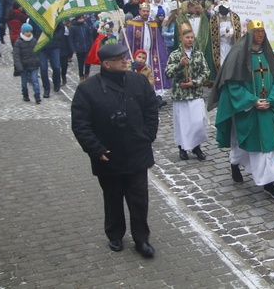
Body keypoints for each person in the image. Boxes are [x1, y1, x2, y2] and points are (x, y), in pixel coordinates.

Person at [71, 43, 160, 258]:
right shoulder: (87, 89)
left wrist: (148, 135)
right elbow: (80, 124)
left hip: (137, 151)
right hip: (108, 155)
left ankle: (141, 239)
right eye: (119, 58)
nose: (125, 60)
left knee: (139, 199)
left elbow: (151, 109)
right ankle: (115, 234)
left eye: (124, 56)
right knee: (112, 197)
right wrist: (95, 148)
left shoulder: (138, 81)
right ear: (106, 64)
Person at [210, 20, 274, 198]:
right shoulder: (238, 55)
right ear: (250, 34)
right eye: (257, 32)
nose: (260, 35)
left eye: (262, 32)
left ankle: (268, 182)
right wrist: (252, 101)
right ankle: (235, 164)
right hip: (248, 109)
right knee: (242, 143)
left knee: (266, 145)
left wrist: (272, 99)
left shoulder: (268, 55)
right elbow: (232, 86)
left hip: (267, 107)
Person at [165, 25, 211, 161]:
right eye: (187, 37)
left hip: (195, 93)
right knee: (183, 123)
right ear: (181, 39)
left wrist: (195, 82)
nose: (190, 40)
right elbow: (168, 72)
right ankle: (183, 148)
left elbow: (206, 71)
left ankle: (196, 145)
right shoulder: (175, 55)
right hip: (181, 95)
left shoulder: (198, 54)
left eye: (192, 37)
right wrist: (180, 65)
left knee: (198, 121)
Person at [124, 2, 172, 94]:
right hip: (138, 54)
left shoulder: (152, 23)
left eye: (147, 11)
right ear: (139, 11)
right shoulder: (133, 23)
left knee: (151, 73)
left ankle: (154, 93)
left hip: (151, 54)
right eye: (144, 11)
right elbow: (128, 41)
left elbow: (158, 40)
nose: (146, 13)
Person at [177, 0, 216, 81]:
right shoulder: (182, 17)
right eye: (195, 8)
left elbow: (205, 29)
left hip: (200, 44)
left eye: (198, 8)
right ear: (189, 7)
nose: (197, 10)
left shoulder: (202, 17)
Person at [210, 0, 242, 73]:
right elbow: (214, 30)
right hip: (221, 46)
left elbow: (237, 29)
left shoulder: (234, 16)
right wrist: (225, 30)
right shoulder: (214, 18)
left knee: (232, 64)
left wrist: (230, 32)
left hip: (232, 45)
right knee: (222, 64)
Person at [13, 23, 41, 103]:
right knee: (24, 82)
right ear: (23, 32)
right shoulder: (18, 42)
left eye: (30, 32)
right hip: (23, 66)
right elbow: (16, 56)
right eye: (27, 32)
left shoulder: (34, 41)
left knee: (35, 81)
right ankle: (25, 95)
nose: (29, 33)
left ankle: (37, 96)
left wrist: (37, 61)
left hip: (33, 65)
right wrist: (19, 66)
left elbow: (37, 52)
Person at [70, 15, 96, 82]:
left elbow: (90, 35)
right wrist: (73, 48)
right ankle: (81, 76)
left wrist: (91, 44)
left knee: (88, 62)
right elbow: (71, 39)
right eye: (80, 18)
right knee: (80, 63)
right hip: (79, 48)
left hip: (87, 46)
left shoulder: (85, 26)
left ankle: (87, 74)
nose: (82, 19)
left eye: (82, 18)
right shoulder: (73, 27)